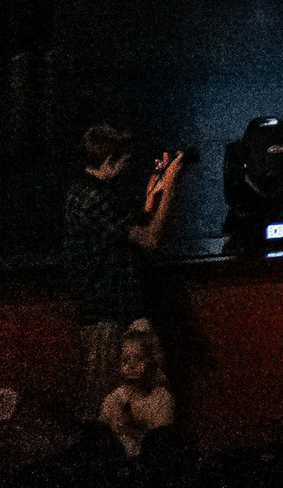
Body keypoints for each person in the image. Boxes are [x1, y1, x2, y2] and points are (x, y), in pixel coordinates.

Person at [62, 126, 181, 418]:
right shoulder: (94, 199)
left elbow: (126, 231)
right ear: (109, 161)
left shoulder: (87, 193)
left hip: (113, 310)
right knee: (107, 408)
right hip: (107, 314)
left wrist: (152, 193)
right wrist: (170, 189)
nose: (125, 169)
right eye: (123, 162)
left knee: (130, 404)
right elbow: (149, 240)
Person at [98, 323, 174, 459]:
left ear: (152, 363)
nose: (131, 366)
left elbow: (161, 438)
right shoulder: (114, 398)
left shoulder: (161, 398)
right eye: (125, 360)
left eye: (139, 359)